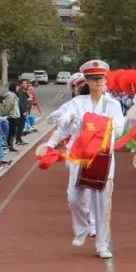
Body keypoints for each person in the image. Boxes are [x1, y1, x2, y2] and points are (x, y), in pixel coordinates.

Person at [49, 60, 125, 259]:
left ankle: (102, 245)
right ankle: (82, 229)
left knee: (102, 203)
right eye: (93, 79)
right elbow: (64, 124)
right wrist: (69, 120)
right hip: (80, 155)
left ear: (105, 80)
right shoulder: (77, 103)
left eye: (100, 78)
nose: (98, 82)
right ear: (87, 81)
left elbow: (119, 128)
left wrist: (100, 125)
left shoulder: (113, 104)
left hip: (103, 157)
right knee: (74, 198)